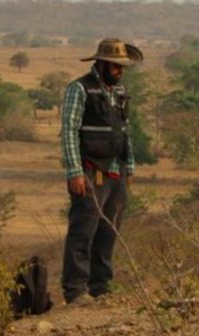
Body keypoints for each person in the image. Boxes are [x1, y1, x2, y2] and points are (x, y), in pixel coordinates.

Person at [59, 38, 141, 306]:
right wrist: (74, 171)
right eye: (116, 66)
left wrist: (129, 167)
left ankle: (101, 287)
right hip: (90, 170)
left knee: (109, 232)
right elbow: (69, 131)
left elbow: (125, 131)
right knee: (83, 231)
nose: (120, 71)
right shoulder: (79, 89)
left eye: (122, 67)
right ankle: (75, 291)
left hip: (116, 171)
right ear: (102, 63)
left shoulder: (119, 92)